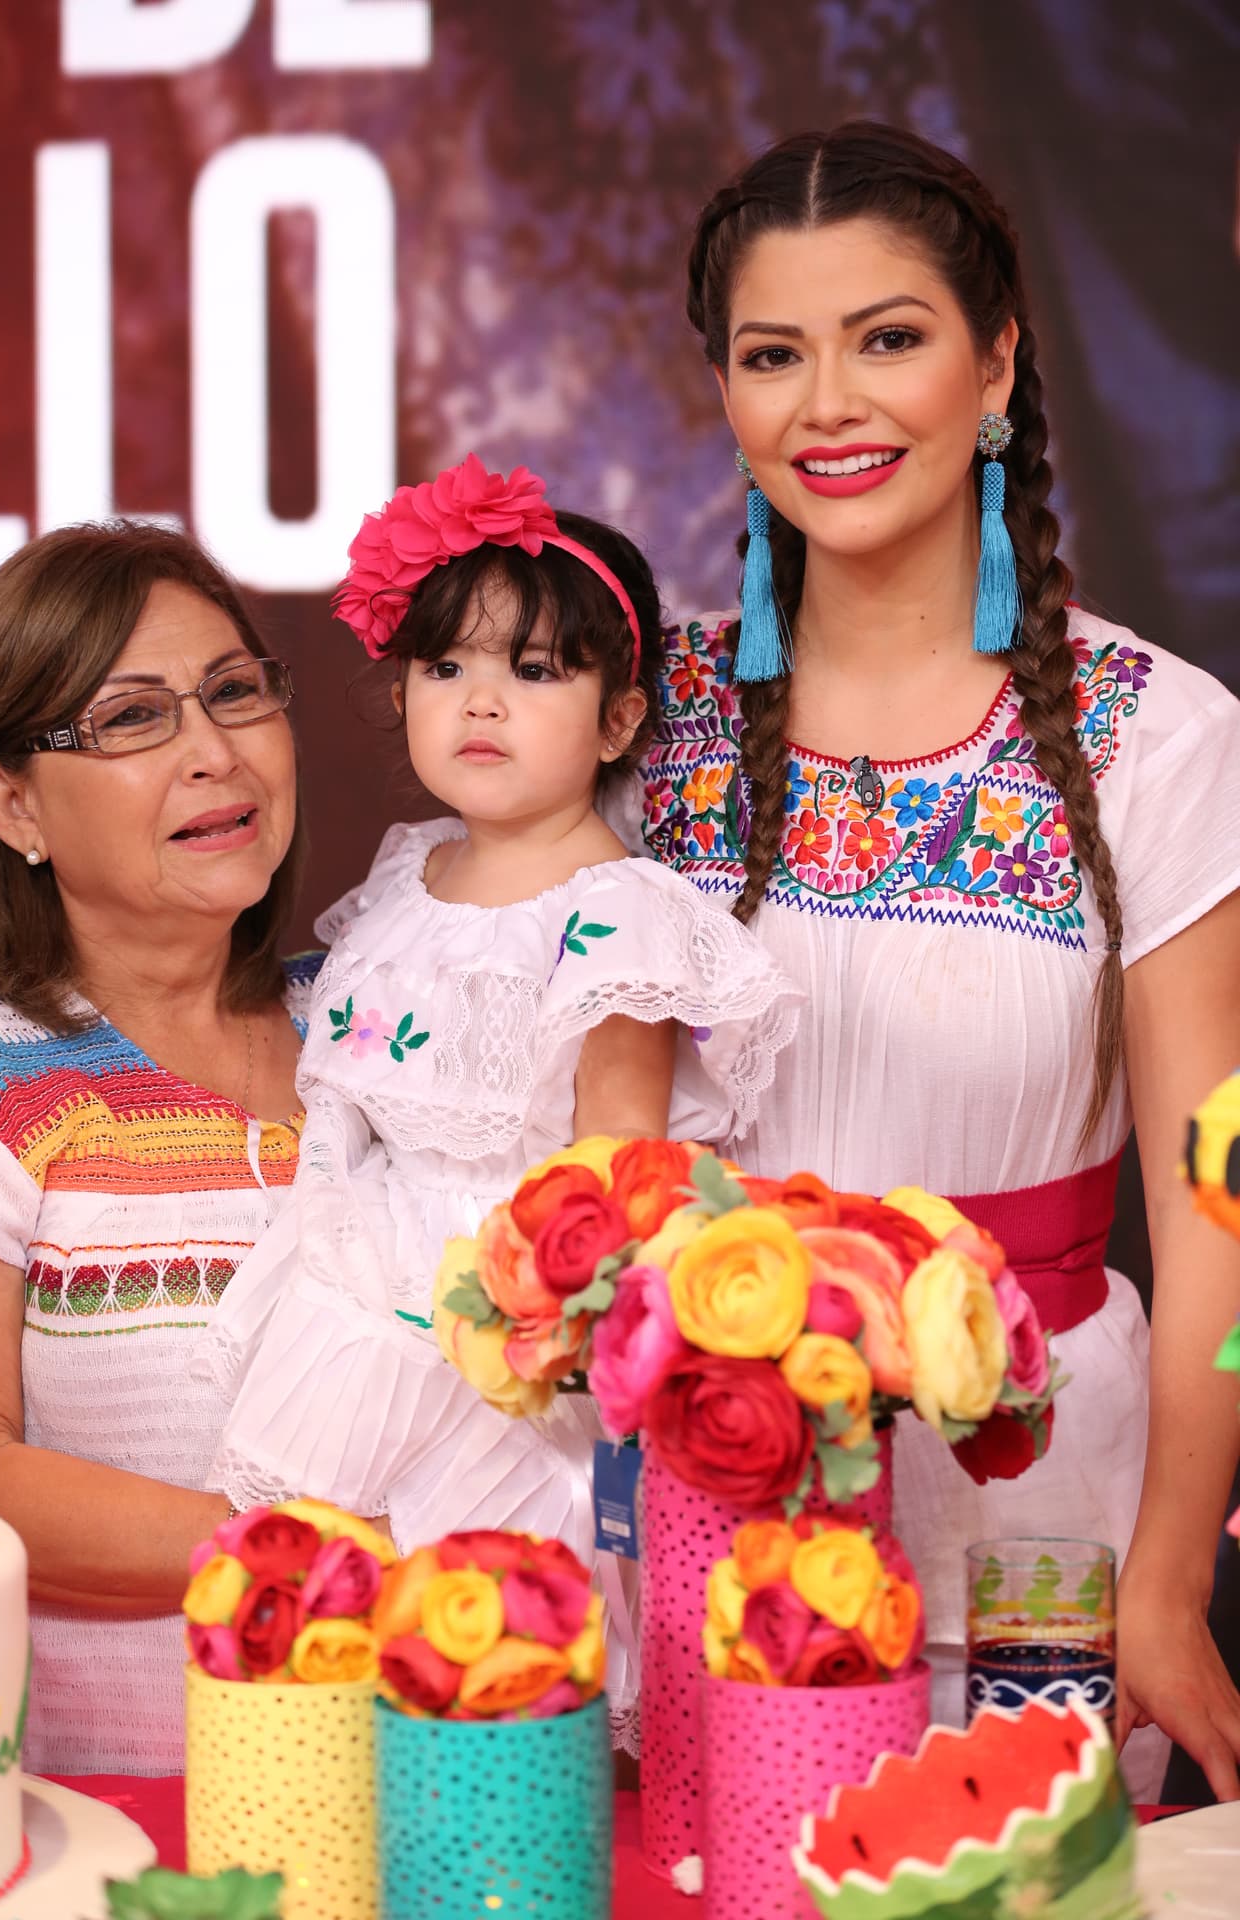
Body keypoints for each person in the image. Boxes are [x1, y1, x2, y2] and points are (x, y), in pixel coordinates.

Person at [619, 123, 1240, 1799]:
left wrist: (1173, 1586)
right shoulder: (629, 723)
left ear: (996, 365)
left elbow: (1213, 1209)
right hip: (706, 1510)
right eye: (773, 354)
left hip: (1044, 1518)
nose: (829, 402)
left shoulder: (1159, 741)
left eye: (887, 337)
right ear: (728, 398)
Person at [200, 457, 800, 1727]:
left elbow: (619, 1171)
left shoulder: (616, 918)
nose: (482, 702)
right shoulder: (407, 874)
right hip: (352, 1300)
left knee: (475, 1660)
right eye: (446, 668)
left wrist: (536, 1330)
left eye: (534, 673)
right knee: (327, 1650)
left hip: (503, 1352)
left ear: (619, 721)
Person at [0, 522, 314, 1773]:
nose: (214, 753)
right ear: (14, 806)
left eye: (232, 692)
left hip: (422, 1798)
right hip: (105, 1819)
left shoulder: (387, 1028)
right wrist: (314, 1552)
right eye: (129, 720)